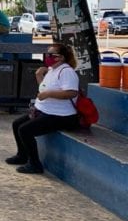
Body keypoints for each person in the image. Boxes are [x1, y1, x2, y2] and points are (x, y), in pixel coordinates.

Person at [6, 43, 80, 174]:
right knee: (17, 124)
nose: (47, 57)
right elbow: (44, 89)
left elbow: (71, 92)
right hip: (45, 111)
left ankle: (35, 164)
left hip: (61, 116)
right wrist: (39, 76)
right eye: (47, 54)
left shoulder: (66, 71)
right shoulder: (51, 70)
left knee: (25, 130)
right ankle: (22, 155)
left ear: (61, 58)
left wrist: (49, 94)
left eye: (51, 55)